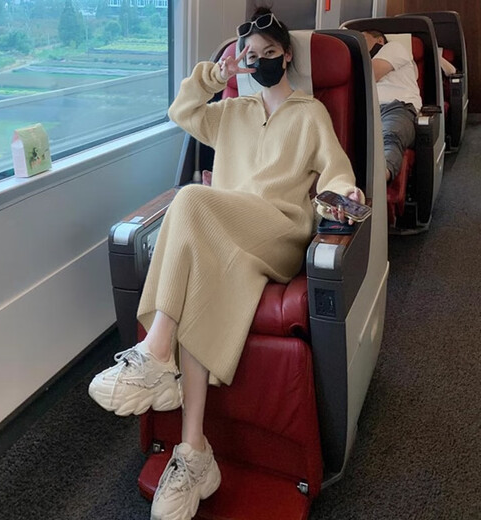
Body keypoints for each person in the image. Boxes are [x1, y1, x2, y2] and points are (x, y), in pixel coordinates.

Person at [89, 8, 364, 520]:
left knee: (191, 197)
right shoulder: (232, 113)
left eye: (269, 53)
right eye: (251, 56)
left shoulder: (310, 114)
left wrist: (345, 195)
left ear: (286, 57)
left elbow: (336, 172)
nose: (260, 62)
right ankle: (194, 450)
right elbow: (181, 111)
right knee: (198, 284)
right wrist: (217, 76)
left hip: (279, 230)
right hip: (228, 236)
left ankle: (156, 352)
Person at [362, 30, 423, 182]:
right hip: (366, 110)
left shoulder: (393, 47)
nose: (357, 43)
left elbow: (372, 73)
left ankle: (380, 178)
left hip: (396, 107)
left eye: (362, 38)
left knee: (390, 135)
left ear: (379, 41)